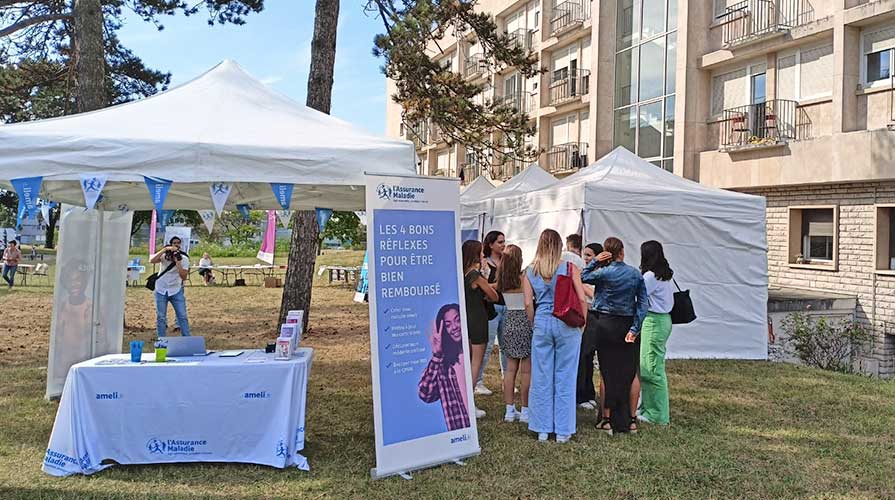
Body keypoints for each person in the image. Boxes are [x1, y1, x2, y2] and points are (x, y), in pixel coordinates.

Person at [524, 230, 587, 443]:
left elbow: (527, 303)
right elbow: (581, 297)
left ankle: (542, 428)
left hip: (542, 320)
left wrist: (535, 323)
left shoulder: (530, 270)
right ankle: (563, 430)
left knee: (541, 376)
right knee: (565, 376)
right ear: (560, 245)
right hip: (567, 322)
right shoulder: (569, 268)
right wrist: (583, 322)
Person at [582, 237, 648, 435]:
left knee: (607, 371)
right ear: (622, 252)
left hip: (606, 323)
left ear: (606, 252)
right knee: (629, 371)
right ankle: (631, 419)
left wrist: (596, 262)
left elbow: (581, 276)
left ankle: (606, 419)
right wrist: (635, 329)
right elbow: (643, 304)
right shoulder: (635, 274)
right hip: (627, 323)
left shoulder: (603, 273)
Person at [637, 241, 675, 425]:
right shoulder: (664, 274)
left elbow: (638, 294)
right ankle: (647, 407)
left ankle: (657, 414)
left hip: (653, 321)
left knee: (651, 368)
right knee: (649, 365)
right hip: (662, 321)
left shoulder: (650, 276)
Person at [418, 304, 471, 432]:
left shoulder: (472, 351)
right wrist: (437, 356)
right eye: (448, 325)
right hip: (461, 434)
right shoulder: (443, 364)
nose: (454, 327)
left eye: (458, 320)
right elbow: (425, 394)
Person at [462, 240, 499, 418]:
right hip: (478, 320)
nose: (483, 255)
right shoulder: (476, 275)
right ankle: (469, 403)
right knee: (475, 362)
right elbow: (493, 295)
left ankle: (463, 399)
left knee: (467, 361)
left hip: (464, 319)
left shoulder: (461, 273)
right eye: (481, 253)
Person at [496, 244, 532, 424]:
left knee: (510, 369)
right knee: (526, 371)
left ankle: (509, 410)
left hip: (509, 319)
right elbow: (529, 302)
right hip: (524, 320)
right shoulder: (524, 278)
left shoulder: (501, 281)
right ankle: (525, 410)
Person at [477, 230, 507, 396]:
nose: (503, 245)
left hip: (507, 305)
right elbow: (483, 286)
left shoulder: (507, 260)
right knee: (487, 345)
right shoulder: (484, 263)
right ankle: (478, 380)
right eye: (500, 242)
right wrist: (497, 285)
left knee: (506, 345)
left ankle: (506, 379)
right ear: (490, 244)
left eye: (504, 241)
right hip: (491, 308)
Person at [577, 242, 602, 410]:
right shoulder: (581, 274)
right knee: (583, 355)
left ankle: (589, 392)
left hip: (596, 315)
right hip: (584, 315)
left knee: (589, 355)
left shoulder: (600, 275)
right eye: (584, 255)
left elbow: (597, 296)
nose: (585, 259)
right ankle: (581, 394)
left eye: (589, 255)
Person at [150, 236, 191, 337]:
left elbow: (184, 277)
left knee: (182, 316)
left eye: (178, 243)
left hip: (176, 290)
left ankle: (187, 339)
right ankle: (161, 340)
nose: (176, 245)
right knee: (161, 317)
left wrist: (178, 263)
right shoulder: (165, 256)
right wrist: (164, 249)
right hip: (161, 289)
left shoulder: (184, 258)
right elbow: (152, 260)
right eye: (174, 243)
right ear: (170, 244)